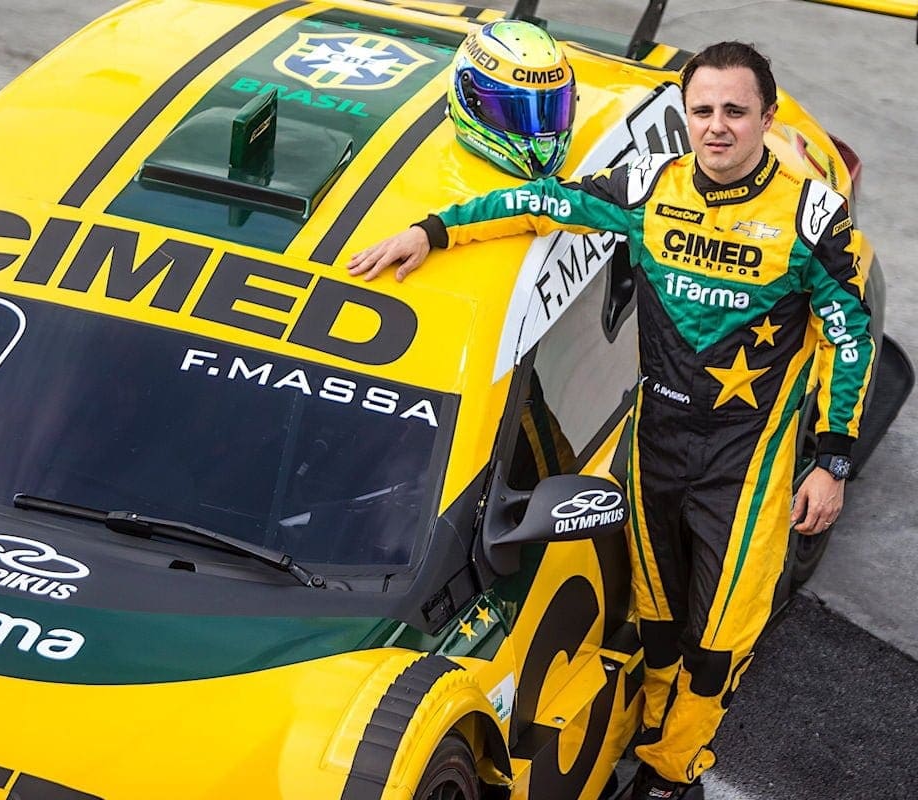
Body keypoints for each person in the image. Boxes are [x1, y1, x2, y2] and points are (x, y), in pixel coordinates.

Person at [348, 34, 874, 800]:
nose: (717, 126)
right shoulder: (650, 185)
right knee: (656, 624)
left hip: (745, 470)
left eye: (735, 111)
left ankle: (671, 774)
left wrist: (831, 460)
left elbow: (850, 338)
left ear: (765, 118)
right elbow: (541, 204)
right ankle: (652, 732)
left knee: (718, 646)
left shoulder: (811, 218)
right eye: (703, 110)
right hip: (651, 450)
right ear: (688, 115)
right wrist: (431, 232)